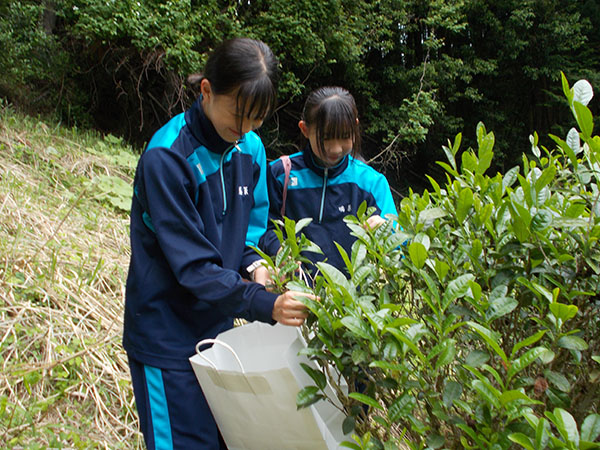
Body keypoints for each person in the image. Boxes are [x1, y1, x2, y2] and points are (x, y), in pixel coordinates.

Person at [123, 37, 311, 450]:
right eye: (238, 113)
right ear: (206, 90)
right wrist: (265, 304)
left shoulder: (251, 148)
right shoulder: (168, 159)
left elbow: (252, 228)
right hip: (166, 336)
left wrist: (257, 264)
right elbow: (193, 267)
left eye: (258, 118)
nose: (244, 128)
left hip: (220, 332)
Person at [260, 86, 397, 277]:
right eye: (325, 138)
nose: (335, 149)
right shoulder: (280, 174)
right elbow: (261, 227)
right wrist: (280, 253)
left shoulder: (370, 182)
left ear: (355, 127)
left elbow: (400, 242)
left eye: (344, 137)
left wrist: (384, 228)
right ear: (305, 129)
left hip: (351, 299)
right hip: (294, 292)